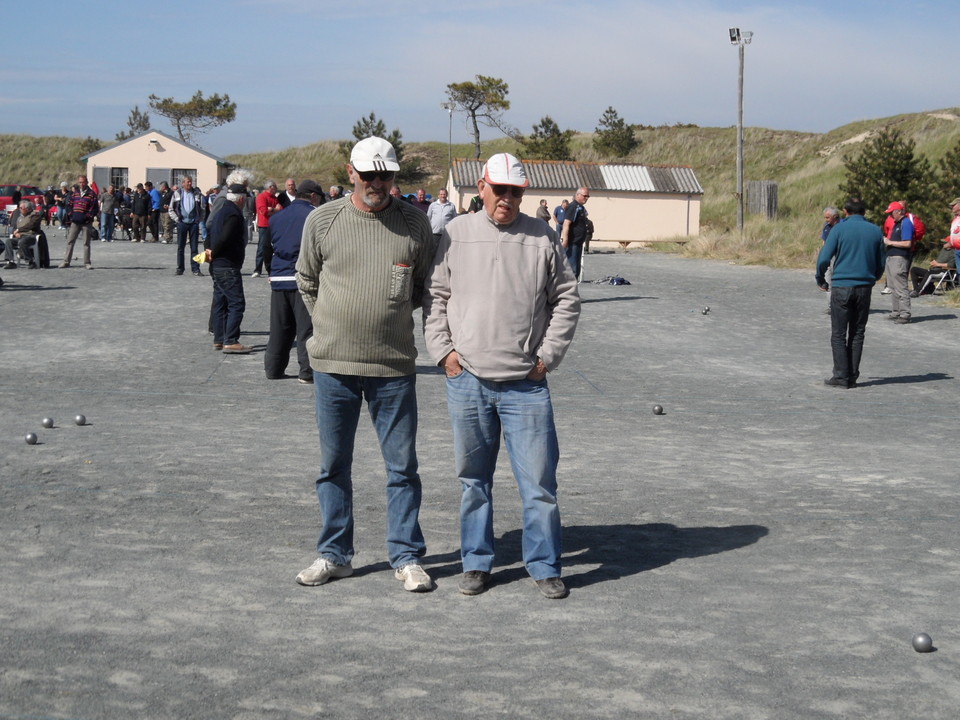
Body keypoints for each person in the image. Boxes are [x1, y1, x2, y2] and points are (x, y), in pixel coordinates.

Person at [423, 152, 581, 599]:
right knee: (473, 481)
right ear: (481, 187)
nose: (507, 199)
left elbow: (567, 299)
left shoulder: (542, 237)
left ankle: (545, 564)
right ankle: (476, 562)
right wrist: (443, 353)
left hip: (525, 387)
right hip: (467, 379)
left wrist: (548, 356)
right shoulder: (455, 234)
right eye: (500, 190)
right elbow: (435, 296)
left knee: (540, 485)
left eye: (516, 192)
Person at [294, 136, 436, 593]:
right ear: (350, 172)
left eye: (386, 175)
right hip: (333, 366)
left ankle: (406, 555)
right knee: (333, 465)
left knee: (402, 468)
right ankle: (335, 555)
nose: (377, 183)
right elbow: (307, 279)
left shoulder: (416, 225)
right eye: (369, 174)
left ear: (395, 177)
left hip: (393, 368)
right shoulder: (322, 220)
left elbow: (423, 287)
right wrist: (331, 325)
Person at [816, 198, 884, 388]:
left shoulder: (838, 230)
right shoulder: (875, 230)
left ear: (845, 211)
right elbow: (881, 262)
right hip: (864, 286)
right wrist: (873, 277)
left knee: (838, 333)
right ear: (864, 211)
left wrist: (820, 278)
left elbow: (824, 257)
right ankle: (852, 375)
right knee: (858, 332)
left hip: (842, 286)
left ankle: (840, 375)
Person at [264, 179, 324, 383]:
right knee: (306, 328)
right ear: (314, 197)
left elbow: (265, 247)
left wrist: (270, 272)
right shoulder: (314, 216)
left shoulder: (277, 217)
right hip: (302, 277)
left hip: (279, 276)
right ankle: (306, 372)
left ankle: (273, 369)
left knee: (280, 327)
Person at [207, 184, 253, 354]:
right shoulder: (234, 214)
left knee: (220, 302)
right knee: (236, 302)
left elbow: (210, 230)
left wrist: (209, 251)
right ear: (241, 198)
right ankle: (231, 340)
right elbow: (225, 237)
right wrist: (214, 252)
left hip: (218, 265)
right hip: (227, 264)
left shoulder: (220, 210)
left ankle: (219, 339)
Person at [882, 201, 914, 324]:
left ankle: (905, 314)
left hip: (899, 258)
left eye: (891, 213)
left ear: (899, 212)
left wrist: (890, 242)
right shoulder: (897, 223)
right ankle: (896, 311)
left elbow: (907, 243)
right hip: (891, 257)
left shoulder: (905, 223)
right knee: (892, 286)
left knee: (901, 287)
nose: (890, 216)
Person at [60, 175, 99, 269]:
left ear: (86, 182)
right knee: (70, 241)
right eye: (80, 182)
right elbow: (69, 205)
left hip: (86, 222)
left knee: (86, 243)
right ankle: (66, 261)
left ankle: (87, 263)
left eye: (83, 182)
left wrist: (88, 216)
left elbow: (95, 208)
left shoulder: (92, 194)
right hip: (75, 221)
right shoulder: (75, 193)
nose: (82, 184)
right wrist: (71, 215)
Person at [171, 176, 206, 276]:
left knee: (194, 247)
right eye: (188, 182)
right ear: (183, 183)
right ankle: (180, 268)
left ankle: (195, 269)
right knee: (180, 247)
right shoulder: (177, 193)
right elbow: (171, 208)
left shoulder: (197, 194)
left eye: (191, 182)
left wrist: (199, 220)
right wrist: (177, 219)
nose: (190, 184)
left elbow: (203, 209)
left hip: (193, 223)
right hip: (182, 223)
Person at [3, 200, 46, 268]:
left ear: (27, 209)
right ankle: (10, 261)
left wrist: (19, 230)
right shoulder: (20, 218)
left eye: (21, 208)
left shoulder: (34, 215)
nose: (19, 209)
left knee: (22, 242)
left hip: (31, 236)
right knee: (8, 241)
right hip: (20, 236)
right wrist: (15, 233)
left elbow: (31, 225)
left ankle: (30, 261)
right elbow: (14, 227)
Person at [561, 187, 590, 279]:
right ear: (577, 195)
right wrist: (565, 240)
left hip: (578, 242)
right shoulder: (573, 207)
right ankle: (568, 290)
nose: (586, 198)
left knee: (576, 270)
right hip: (572, 242)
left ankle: (573, 289)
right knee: (571, 270)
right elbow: (566, 223)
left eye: (588, 196)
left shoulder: (581, 207)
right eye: (584, 196)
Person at [253, 181, 280, 277]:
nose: (276, 188)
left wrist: (271, 209)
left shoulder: (275, 198)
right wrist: (274, 210)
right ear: (270, 187)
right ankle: (258, 269)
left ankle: (272, 267)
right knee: (262, 247)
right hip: (264, 225)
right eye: (275, 187)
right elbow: (264, 211)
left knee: (273, 247)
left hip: (274, 224)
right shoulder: (261, 197)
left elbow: (280, 209)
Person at [820, 206, 842, 313]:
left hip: (839, 255)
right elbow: (824, 241)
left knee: (838, 281)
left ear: (835, 216)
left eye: (828, 218)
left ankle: (840, 305)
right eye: (825, 217)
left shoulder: (843, 225)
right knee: (828, 279)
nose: (826, 220)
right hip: (828, 255)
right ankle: (831, 306)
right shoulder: (826, 226)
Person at [947, 197, 960, 271]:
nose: (952, 207)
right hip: (957, 249)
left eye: (954, 205)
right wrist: (951, 243)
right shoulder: (956, 218)